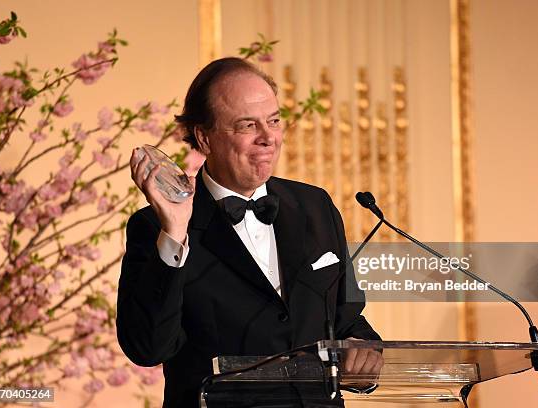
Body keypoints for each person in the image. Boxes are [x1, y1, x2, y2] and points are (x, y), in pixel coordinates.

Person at [116, 57, 383, 408]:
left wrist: (365, 351)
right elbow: (148, 349)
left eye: (273, 121)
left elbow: (345, 319)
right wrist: (176, 233)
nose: (268, 137)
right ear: (204, 137)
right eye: (247, 125)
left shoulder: (315, 206)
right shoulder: (155, 227)